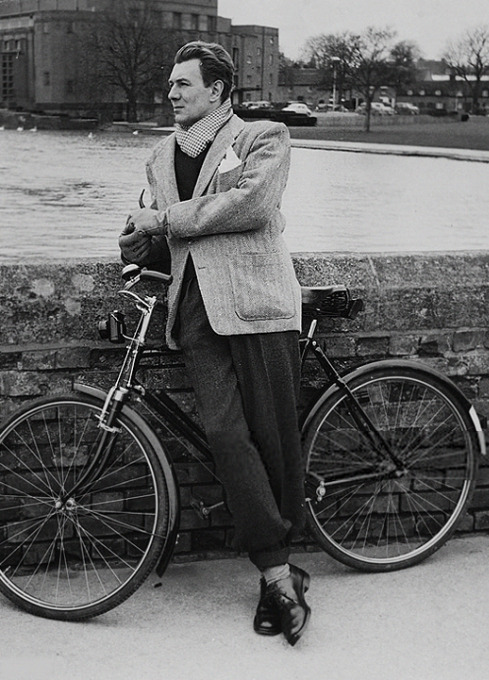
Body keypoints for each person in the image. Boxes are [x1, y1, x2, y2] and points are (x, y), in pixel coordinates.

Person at [119, 41, 310, 646]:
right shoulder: (157, 156)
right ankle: (281, 573)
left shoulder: (264, 138)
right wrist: (137, 243)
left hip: (257, 306)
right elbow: (168, 237)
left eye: (183, 84)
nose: (171, 93)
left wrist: (166, 222)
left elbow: (249, 205)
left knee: (274, 437)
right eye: (171, 84)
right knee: (227, 436)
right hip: (194, 312)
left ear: (219, 90)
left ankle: (274, 577)